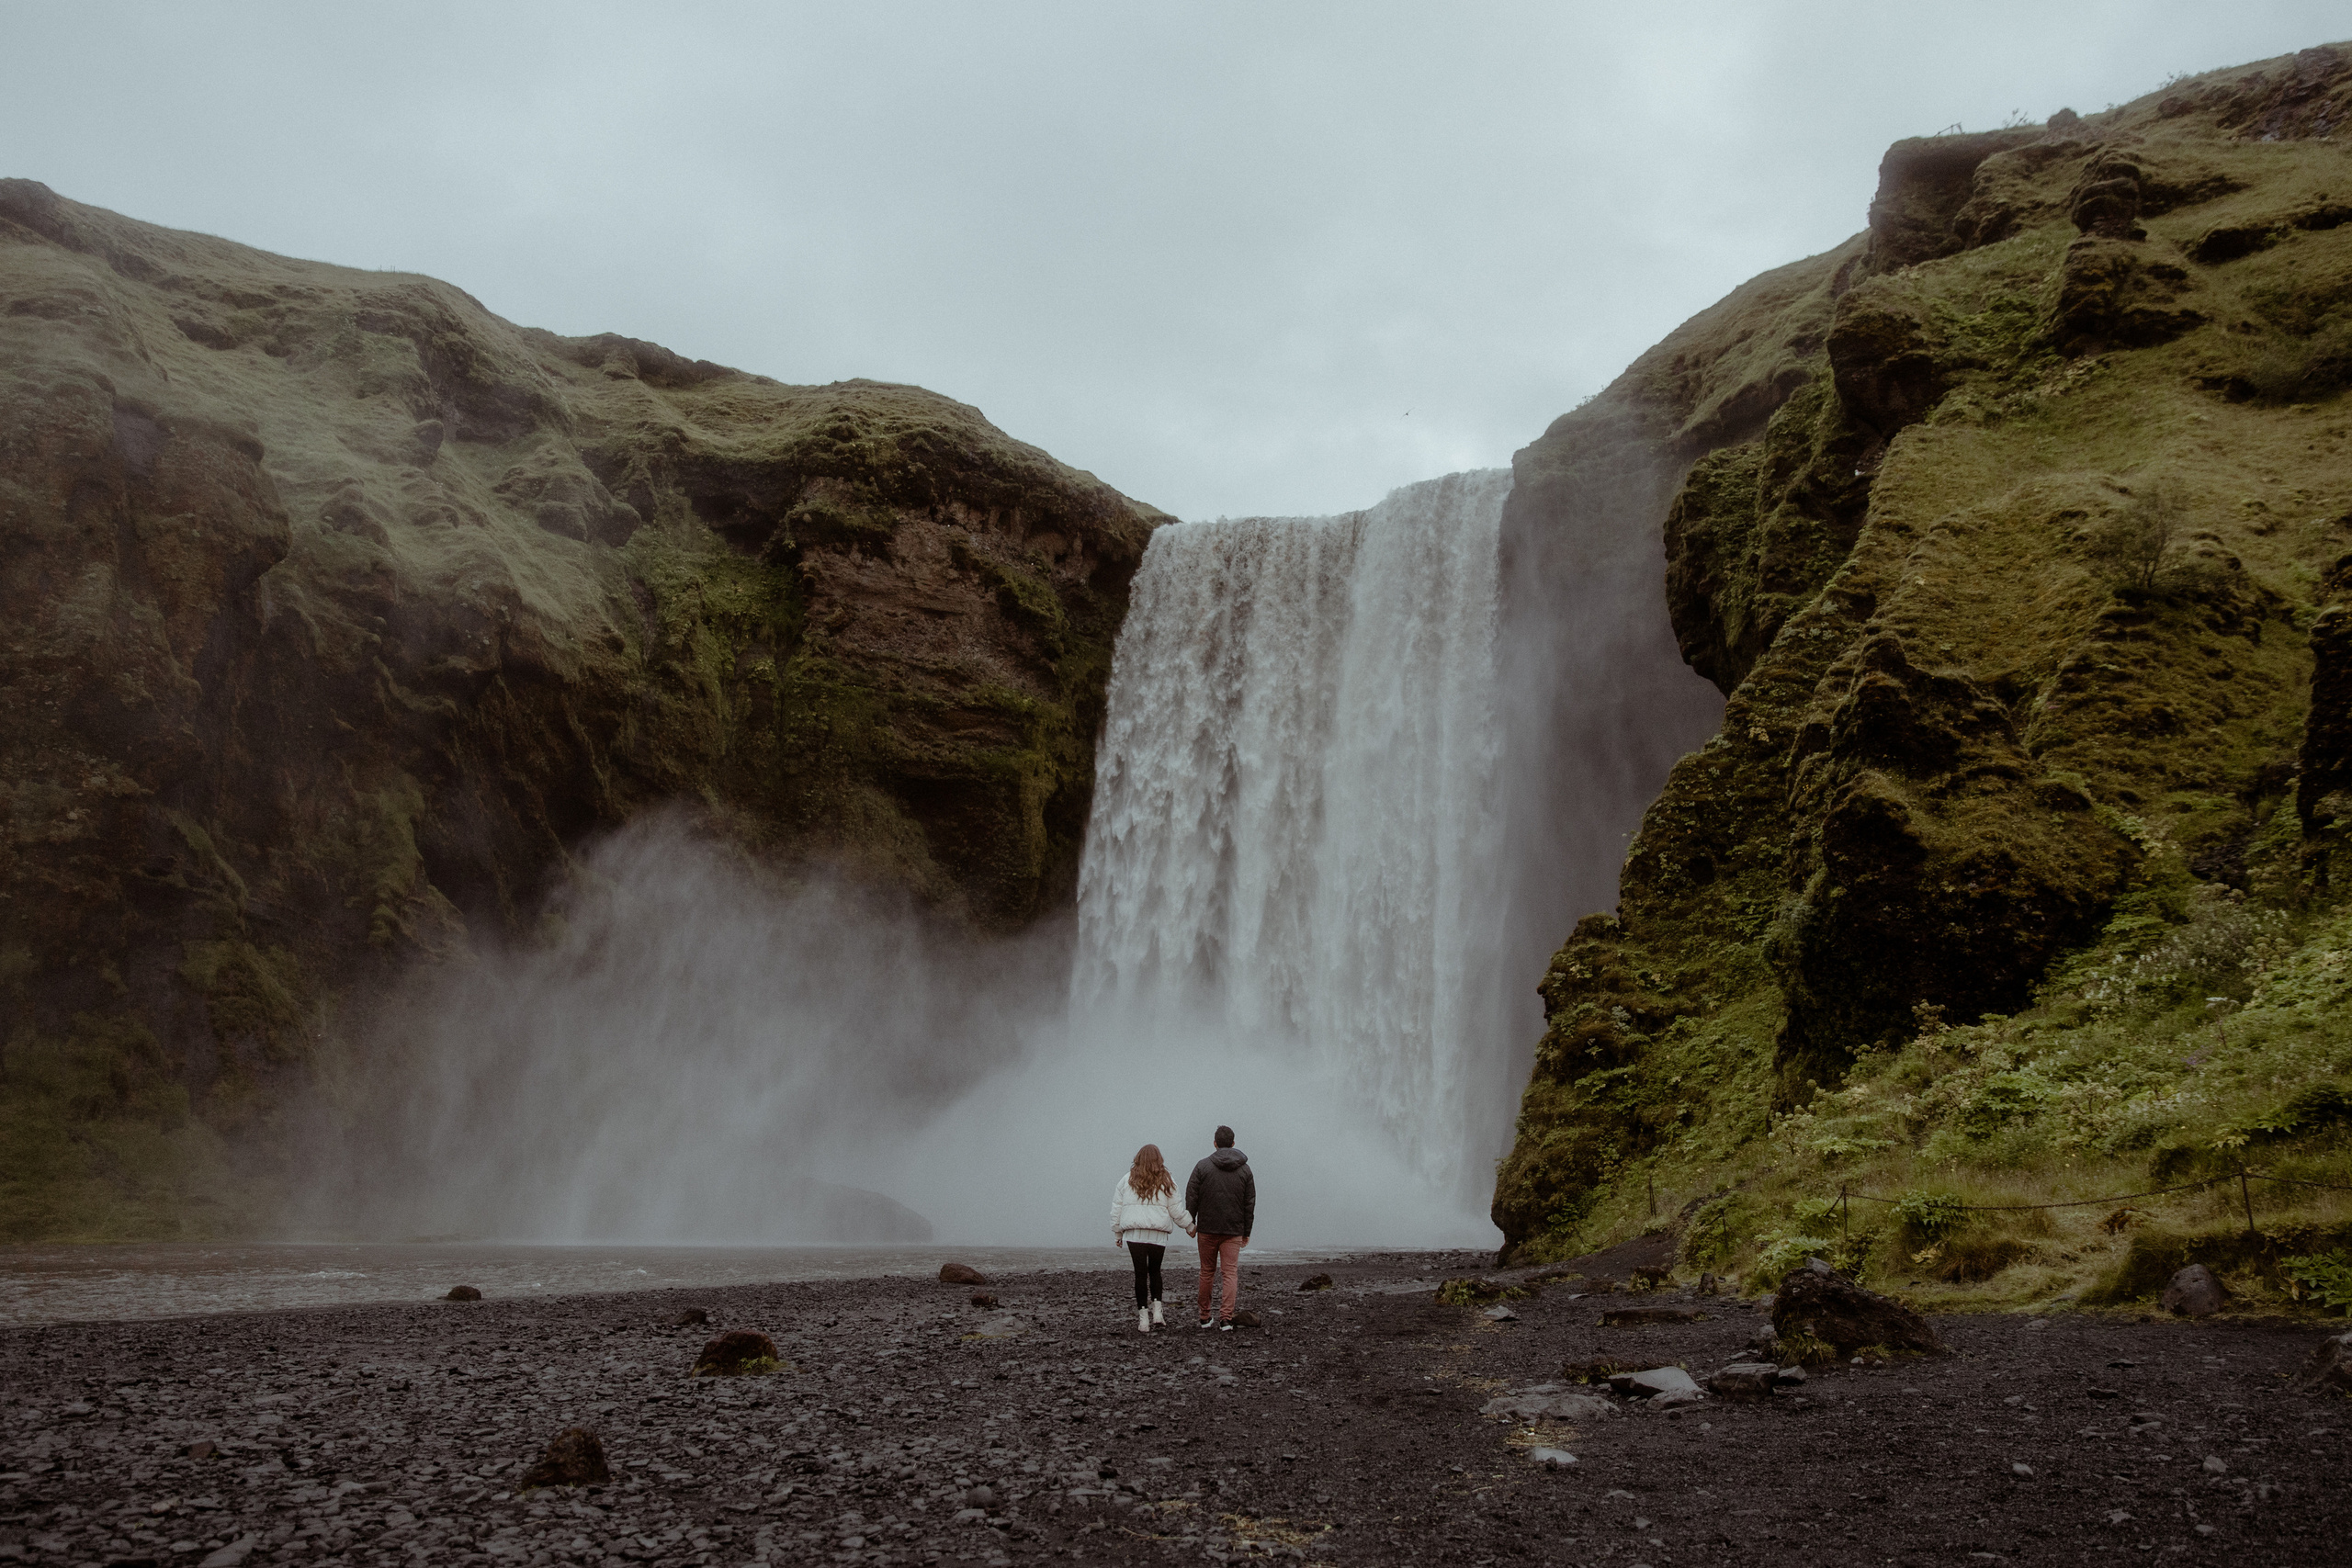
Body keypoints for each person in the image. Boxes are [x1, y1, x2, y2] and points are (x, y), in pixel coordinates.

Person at [1110, 1143, 1193, 1333]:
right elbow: (1176, 1209)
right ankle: (1158, 1314)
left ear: (1138, 1158)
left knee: (1140, 1274)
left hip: (1134, 1234)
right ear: (1159, 1159)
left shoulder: (1126, 1180)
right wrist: (1189, 1226)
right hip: (1158, 1234)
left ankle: (1143, 1321)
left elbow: (1117, 1208)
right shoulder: (1167, 1180)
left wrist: (1117, 1231)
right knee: (1155, 1272)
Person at [1184, 1125, 1254, 1330]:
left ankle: (1205, 1317)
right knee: (1230, 1273)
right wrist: (1246, 1232)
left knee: (1207, 1272)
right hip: (1233, 1230)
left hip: (1207, 1229)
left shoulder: (1202, 1167)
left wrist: (1191, 1223)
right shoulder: (1245, 1170)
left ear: (1215, 1143)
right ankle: (1226, 1319)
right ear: (1233, 1144)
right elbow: (1249, 1203)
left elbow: (1192, 1197)